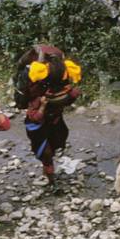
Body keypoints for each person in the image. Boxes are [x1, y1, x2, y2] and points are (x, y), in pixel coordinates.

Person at [23, 57, 82, 192]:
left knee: (53, 147)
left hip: (54, 124)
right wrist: (43, 106)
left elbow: (71, 96)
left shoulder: (61, 93)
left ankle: (48, 172)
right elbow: (35, 118)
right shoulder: (38, 99)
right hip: (38, 128)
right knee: (46, 154)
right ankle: (51, 181)